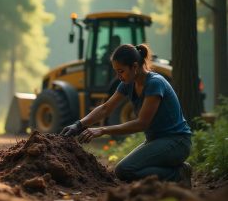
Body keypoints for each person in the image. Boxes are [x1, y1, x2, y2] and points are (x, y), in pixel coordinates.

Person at [60, 44, 193, 188]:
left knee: (126, 170)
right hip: (156, 141)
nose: (119, 76)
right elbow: (105, 108)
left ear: (134, 67)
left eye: (121, 71)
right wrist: (79, 125)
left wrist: (102, 130)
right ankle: (173, 172)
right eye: (116, 72)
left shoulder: (155, 83)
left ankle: (178, 174)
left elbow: (142, 123)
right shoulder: (128, 83)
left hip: (177, 142)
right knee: (122, 171)